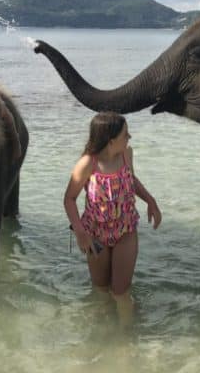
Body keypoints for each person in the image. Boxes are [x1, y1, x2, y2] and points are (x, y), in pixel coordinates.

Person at [64, 112, 161, 321]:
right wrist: (80, 232)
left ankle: (126, 340)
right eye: (126, 134)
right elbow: (69, 199)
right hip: (95, 235)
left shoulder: (127, 154)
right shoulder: (87, 164)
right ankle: (103, 335)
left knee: (121, 292)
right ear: (110, 141)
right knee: (101, 290)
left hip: (125, 231)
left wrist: (150, 201)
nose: (129, 137)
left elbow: (132, 180)